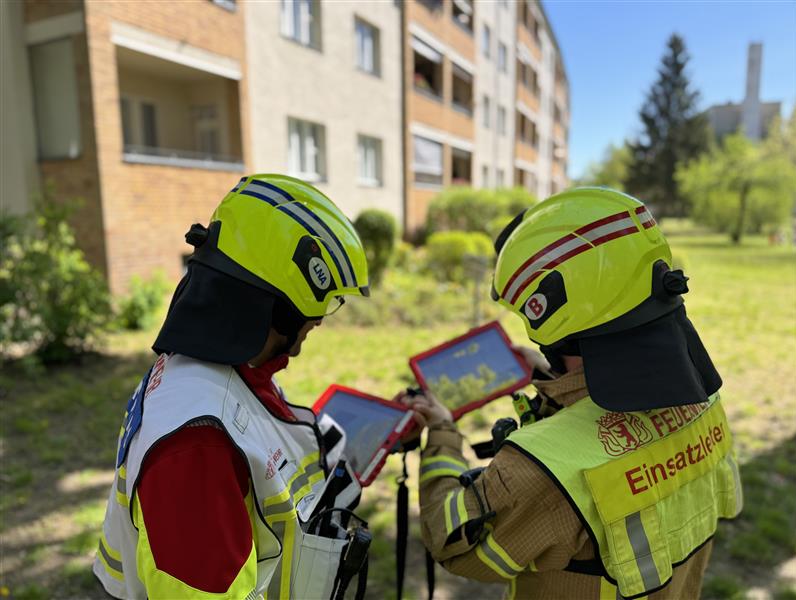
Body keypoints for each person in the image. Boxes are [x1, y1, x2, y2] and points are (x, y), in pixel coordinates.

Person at [400, 187, 743, 599]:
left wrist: (440, 431)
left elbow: (454, 542)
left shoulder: (542, 469)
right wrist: (554, 378)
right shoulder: (705, 399)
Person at [93, 174, 371, 599]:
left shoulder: (218, 369)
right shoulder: (199, 445)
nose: (319, 321)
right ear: (282, 306)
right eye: (323, 303)